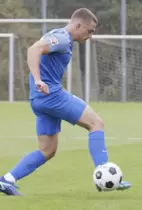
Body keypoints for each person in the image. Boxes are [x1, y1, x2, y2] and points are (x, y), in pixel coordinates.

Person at [0, 8, 131, 196]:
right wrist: (38, 80)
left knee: (47, 150)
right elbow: (33, 49)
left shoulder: (60, 37)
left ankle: (7, 180)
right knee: (96, 123)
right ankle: (104, 173)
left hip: (39, 101)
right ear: (78, 25)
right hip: (51, 96)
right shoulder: (62, 38)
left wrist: (38, 82)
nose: (90, 36)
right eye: (89, 31)